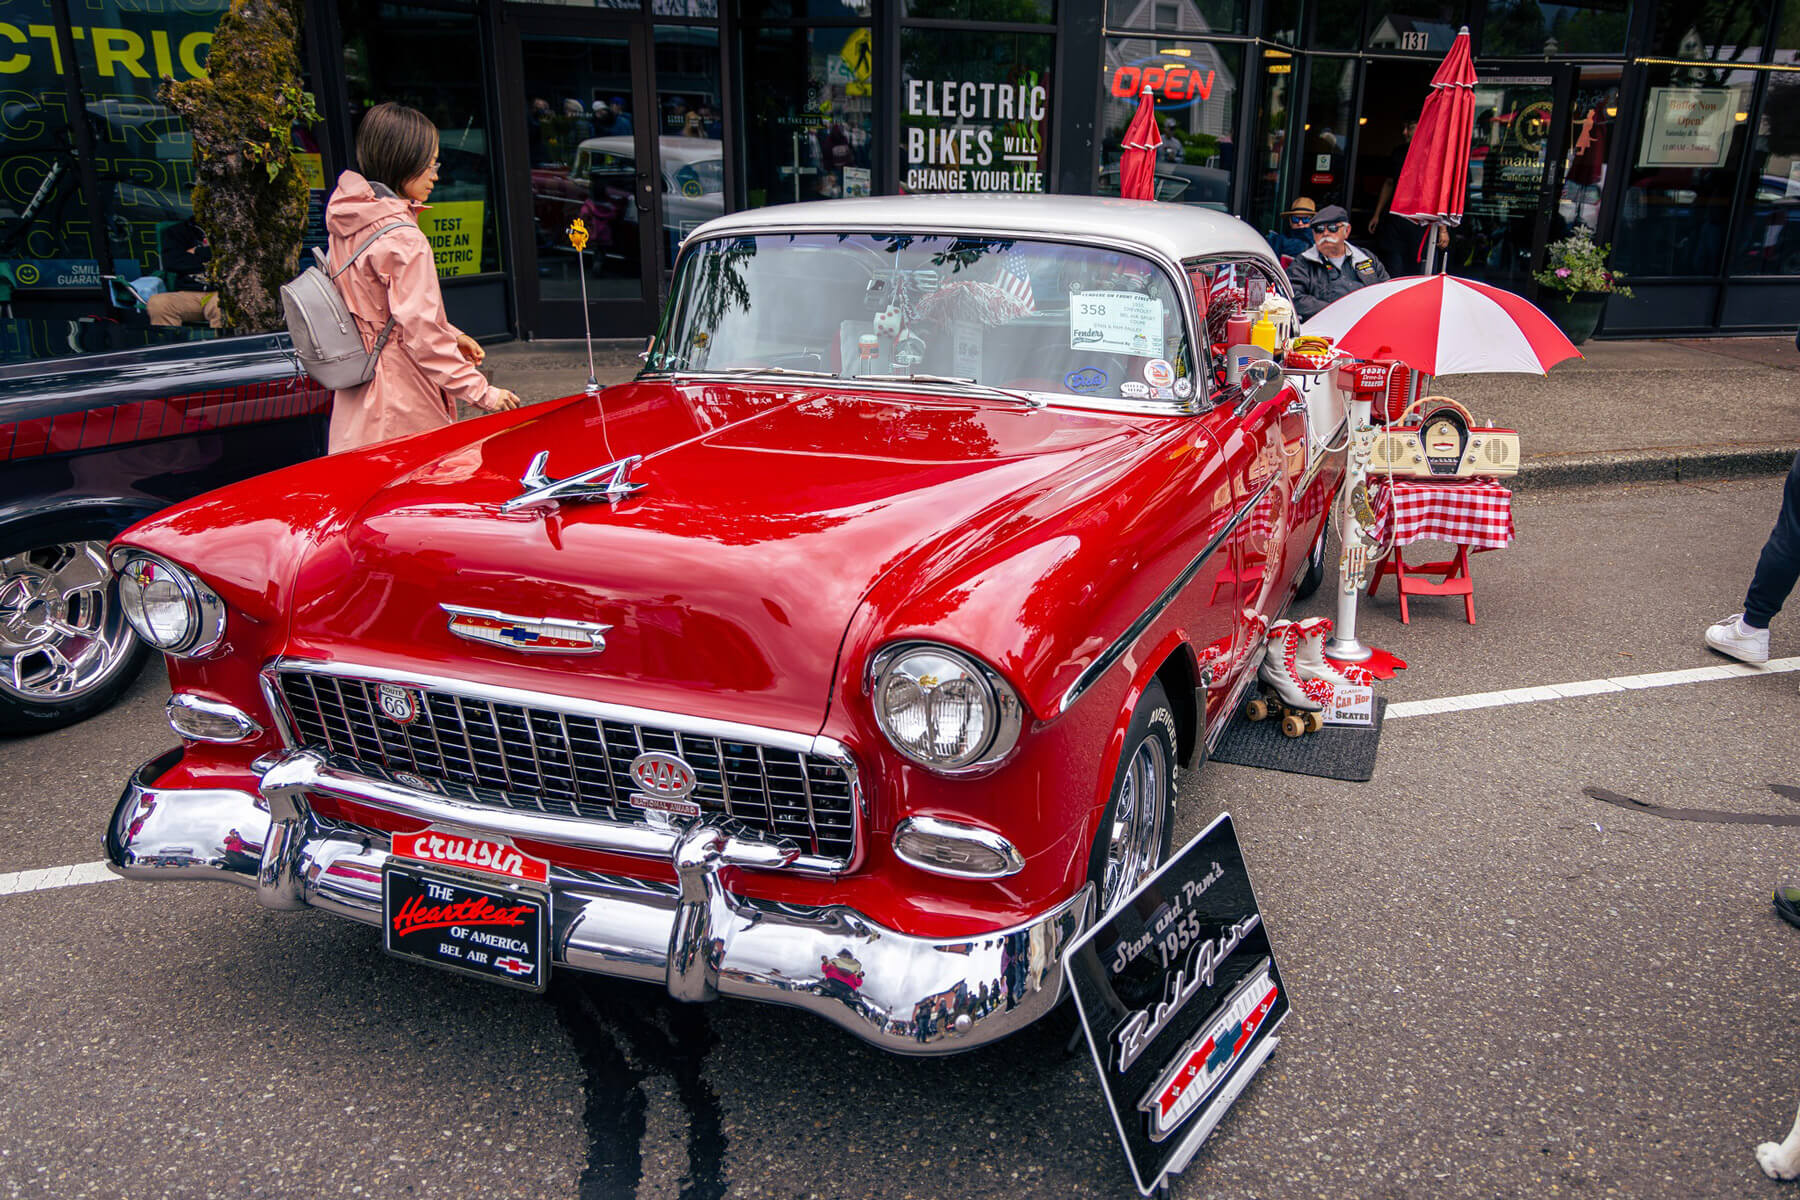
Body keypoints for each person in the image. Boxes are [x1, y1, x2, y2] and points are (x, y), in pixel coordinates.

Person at [324, 101, 520, 454]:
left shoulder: (350, 221)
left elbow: (384, 313)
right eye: (430, 164)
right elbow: (421, 335)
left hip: (358, 387)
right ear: (404, 163)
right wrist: (483, 392)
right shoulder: (403, 238)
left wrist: (453, 334)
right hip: (401, 395)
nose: (436, 175)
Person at [1287, 204, 1390, 319]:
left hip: (1367, 322)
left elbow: (1387, 292)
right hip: (1324, 327)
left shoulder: (1366, 258)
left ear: (1347, 231)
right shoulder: (1303, 262)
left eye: (1332, 228)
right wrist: (1337, 310)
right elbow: (1293, 297)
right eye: (1319, 229)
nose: (1325, 233)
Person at [144, 216, 221, 329]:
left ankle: (223, 346)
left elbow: (231, 258)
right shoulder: (176, 231)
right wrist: (212, 258)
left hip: (226, 292)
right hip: (191, 293)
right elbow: (173, 263)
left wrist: (198, 252)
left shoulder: (236, 228)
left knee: (220, 305)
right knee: (159, 303)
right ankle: (171, 345)